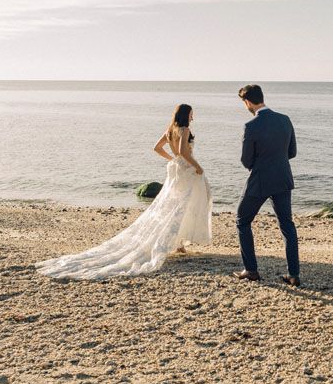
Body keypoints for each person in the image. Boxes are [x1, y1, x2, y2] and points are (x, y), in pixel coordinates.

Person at [35, 104, 212, 280]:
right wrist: (197, 166)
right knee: (183, 206)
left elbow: (157, 148)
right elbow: (182, 151)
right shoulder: (184, 130)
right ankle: (177, 242)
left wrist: (172, 159)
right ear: (185, 115)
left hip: (176, 170)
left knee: (172, 205)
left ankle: (180, 243)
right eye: (191, 114)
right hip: (187, 170)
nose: (192, 118)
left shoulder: (170, 130)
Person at [232, 84, 300, 286]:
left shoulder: (251, 126)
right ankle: (294, 274)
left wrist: (260, 164)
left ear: (247, 102)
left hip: (260, 180)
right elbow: (292, 152)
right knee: (287, 225)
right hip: (282, 178)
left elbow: (246, 161)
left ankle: (251, 270)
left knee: (242, 220)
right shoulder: (285, 120)